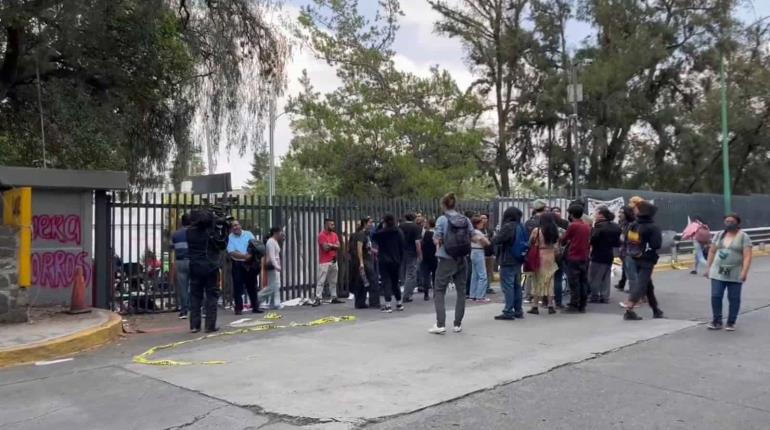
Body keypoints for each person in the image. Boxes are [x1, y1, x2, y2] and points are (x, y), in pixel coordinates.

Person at [429, 193, 474, 334]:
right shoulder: (465, 219)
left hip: (446, 258)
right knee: (461, 291)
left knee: (439, 290)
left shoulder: (442, 219)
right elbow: (473, 235)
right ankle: (457, 324)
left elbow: (436, 239)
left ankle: (440, 324)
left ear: (443, 205)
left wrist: (438, 240)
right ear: (455, 204)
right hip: (462, 257)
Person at [706, 214, 753, 331]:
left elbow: (747, 256)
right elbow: (712, 251)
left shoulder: (743, 237)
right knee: (716, 295)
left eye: (732, 221)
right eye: (726, 221)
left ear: (737, 223)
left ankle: (731, 322)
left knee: (734, 298)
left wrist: (744, 272)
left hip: (735, 271)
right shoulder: (719, 235)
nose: (729, 223)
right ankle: (717, 320)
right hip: (718, 270)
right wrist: (708, 268)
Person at [620, 201, 665, 320]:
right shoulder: (653, 227)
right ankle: (629, 308)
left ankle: (656, 309)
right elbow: (656, 245)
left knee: (648, 285)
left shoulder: (633, 225)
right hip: (648, 258)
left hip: (634, 255)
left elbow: (629, 240)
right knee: (641, 282)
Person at [187, 209, 228, 333]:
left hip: (194, 267)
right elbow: (222, 245)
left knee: (195, 296)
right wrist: (224, 229)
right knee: (211, 296)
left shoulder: (189, 232)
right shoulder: (211, 232)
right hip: (210, 267)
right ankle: (210, 325)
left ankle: (195, 325)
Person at [493, 206, 524, 321]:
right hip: (518, 258)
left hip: (507, 259)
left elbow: (497, 240)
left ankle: (508, 311)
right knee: (517, 286)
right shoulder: (520, 226)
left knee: (508, 286)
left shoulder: (507, 227)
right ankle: (518, 310)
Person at [527, 213, 560, 315]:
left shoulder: (536, 231)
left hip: (539, 255)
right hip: (550, 256)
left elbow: (529, 243)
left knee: (537, 281)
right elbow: (557, 249)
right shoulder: (555, 231)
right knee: (550, 282)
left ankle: (535, 306)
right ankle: (550, 305)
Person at [561, 205, 591, 313]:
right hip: (584, 257)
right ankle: (582, 305)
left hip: (573, 257)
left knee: (574, 282)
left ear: (572, 214)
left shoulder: (573, 226)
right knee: (583, 281)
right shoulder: (586, 226)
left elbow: (564, 239)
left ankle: (573, 305)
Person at [372, 214, 405, 313]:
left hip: (384, 260)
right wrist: (400, 258)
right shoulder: (398, 231)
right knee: (395, 282)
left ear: (384, 222)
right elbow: (402, 245)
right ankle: (399, 303)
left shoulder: (381, 233)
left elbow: (373, 236)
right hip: (395, 260)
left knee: (386, 281)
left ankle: (388, 305)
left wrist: (380, 224)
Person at [588, 207, 622, 304]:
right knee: (606, 277)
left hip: (598, 254)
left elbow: (593, 240)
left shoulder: (599, 227)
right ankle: (605, 296)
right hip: (609, 254)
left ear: (601, 215)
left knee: (594, 277)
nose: (595, 215)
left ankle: (594, 296)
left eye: (596, 213)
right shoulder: (615, 227)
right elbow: (618, 242)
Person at [227, 220, 260, 315]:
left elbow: (255, 245)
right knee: (237, 287)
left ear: (240, 225)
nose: (235, 227)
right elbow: (231, 252)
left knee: (252, 286)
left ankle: (255, 307)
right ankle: (238, 308)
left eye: (236, 225)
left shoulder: (248, 234)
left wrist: (249, 255)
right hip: (237, 264)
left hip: (250, 263)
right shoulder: (230, 237)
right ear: (231, 229)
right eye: (233, 226)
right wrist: (244, 256)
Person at [313, 218, 344, 306]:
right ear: (326, 225)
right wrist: (334, 246)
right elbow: (325, 248)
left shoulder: (334, 234)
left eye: (333, 224)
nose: (333, 226)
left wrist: (330, 245)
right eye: (331, 224)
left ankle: (334, 297)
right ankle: (318, 298)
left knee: (333, 281)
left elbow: (339, 246)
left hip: (333, 260)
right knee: (321, 280)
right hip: (324, 261)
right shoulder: (322, 235)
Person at [350, 217, 379, 309]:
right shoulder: (362, 234)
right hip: (365, 261)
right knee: (373, 280)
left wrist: (374, 251)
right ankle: (374, 302)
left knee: (362, 282)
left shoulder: (366, 234)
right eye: (370, 222)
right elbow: (359, 248)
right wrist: (361, 262)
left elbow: (367, 247)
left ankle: (360, 302)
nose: (372, 224)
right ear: (365, 223)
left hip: (367, 259)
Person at [258, 226, 284, 310]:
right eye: (280, 232)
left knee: (276, 285)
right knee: (272, 286)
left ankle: (274, 303)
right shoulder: (271, 242)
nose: (282, 234)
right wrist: (276, 266)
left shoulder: (274, 241)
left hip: (275, 265)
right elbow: (272, 256)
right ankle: (257, 298)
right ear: (276, 233)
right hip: (272, 265)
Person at [171, 214, 191, 319]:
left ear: (181, 222)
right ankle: (195, 307)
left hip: (180, 262)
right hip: (192, 261)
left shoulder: (175, 234)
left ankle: (184, 311)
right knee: (194, 285)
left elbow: (172, 247)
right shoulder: (194, 233)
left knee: (183, 287)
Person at [400, 213, 423, 302]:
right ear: (414, 218)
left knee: (403, 271)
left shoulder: (400, 226)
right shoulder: (415, 227)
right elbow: (417, 242)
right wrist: (420, 254)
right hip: (412, 252)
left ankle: (403, 288)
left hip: (402, 251)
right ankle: (407, 295)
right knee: (411, 273)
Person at [469, 215, 492, 302]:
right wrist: (485, 239)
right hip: (479, 251)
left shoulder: (471, 232)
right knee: (482, 275)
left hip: (473, 251)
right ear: (477, 224)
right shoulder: (478, 232)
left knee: (474, 275)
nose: (482, 224)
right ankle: (480, 296)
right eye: (481, 223)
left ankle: (473, 294)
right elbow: (487, 243)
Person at [615, 206, 636, 292]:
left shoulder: (632, 224)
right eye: (619, 212)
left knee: (631, 272)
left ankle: (634, 291)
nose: (619, 214)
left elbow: (633, 239)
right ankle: (623, 284)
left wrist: (622, 238)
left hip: (629, 251)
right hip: (623, 251)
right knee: (626, 269)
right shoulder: (622, 223)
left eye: (621, 212)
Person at [420, 218, 438, 301]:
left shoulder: (425, 233)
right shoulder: (436, 233)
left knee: (426, 275)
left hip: (425, 256)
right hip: (434, 256)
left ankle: (426, 294)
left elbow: (421, 243)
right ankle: (435, 292)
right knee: (435, 275)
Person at [480, 213, 496, 295]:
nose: (484, 220)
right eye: (482, 218)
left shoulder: (490, 230)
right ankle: (482, 288)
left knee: (489, 271)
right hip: (481, 253)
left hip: (489, 253)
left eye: (485, 218)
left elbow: (492, 241)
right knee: (482, 272)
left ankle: (488, 287)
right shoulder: (478, 230)